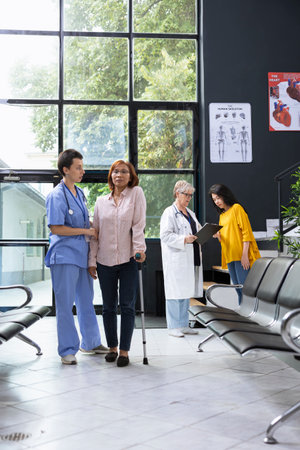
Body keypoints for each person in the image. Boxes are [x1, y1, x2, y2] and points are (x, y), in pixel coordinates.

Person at [45, 149, 108, 365]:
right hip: (63, 256)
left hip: (82, 256)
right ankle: (67, 350)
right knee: (65, 305)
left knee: (85, 301)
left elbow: (83, 223)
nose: (82, 171)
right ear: (66, 170)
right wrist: (86, 232)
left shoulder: (80, 193)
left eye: (82, 166)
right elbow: (56, 228)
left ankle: (90, 342)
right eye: (78, 167)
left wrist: (95, 226)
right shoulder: (56, 195)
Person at [88, 160, 146, 367]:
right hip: (104, 260)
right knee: (109, 307)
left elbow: (139, 225)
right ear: (110, 176)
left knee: (127, 306)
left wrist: (140, 249)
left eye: (124, 172)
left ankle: (124, 351)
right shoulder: (101, 201)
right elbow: (96, 234)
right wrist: (91, 260)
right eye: (115, 172)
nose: (119, 175)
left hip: (129, 259)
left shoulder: (136, 194)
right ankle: (112, 347)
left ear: (130, 176)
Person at [160, 180, 203, 338]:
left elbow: (198, 230)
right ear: (177, 193)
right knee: (174, 293)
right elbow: (165, 235)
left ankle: (184, 325)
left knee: (185, 292)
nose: (188, 198)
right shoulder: (169, 213)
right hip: (176, 259)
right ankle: (173, 327)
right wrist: (183, 239)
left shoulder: (190, 213)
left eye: (191, 196)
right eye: (186, 195)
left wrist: (210, 232)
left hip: (189, 258)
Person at [208, 184, 261, 304]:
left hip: (241, 256)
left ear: (224, 195)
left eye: (218, 198)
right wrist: (217, 236)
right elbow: (226, 238)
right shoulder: (222, 216)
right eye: (214, 200)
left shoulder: (237, 208)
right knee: (238, 290)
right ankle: (242, 315)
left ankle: (248, 316)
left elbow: (246, 233)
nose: (216, 202)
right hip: (230, 256)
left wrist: (244, 255)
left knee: (245, 289)